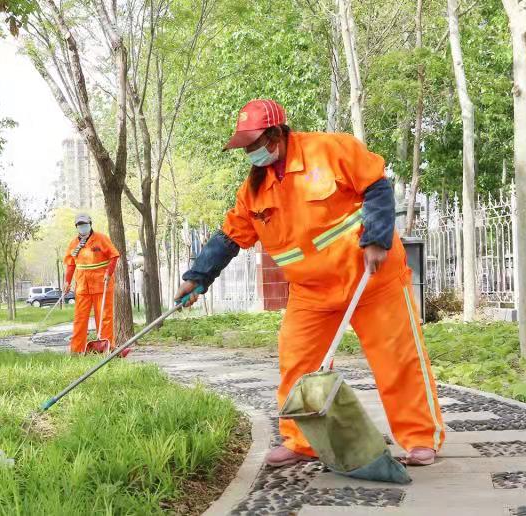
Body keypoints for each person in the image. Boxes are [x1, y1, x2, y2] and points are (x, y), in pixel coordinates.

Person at [175, 99, 445, 467]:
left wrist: (378, 239)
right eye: (246, 147)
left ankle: (420, 437)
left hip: (370, 279)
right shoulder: (254, 191)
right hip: (311, 292)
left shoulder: (329, 150)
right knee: (297, 362)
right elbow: (229, 238)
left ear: (276, 134)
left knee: (397, 359)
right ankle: (301, 441)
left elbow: (377, 187)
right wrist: (197, 277)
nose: (250, 153)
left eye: (254, 144)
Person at [63, 214, 120, 354]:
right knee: (80, 319)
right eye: (79, 225)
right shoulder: (73, 244)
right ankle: (76, 351)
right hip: (83, 287)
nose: (82, 227)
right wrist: (67, 282)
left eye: (84, 224)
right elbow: (70, 265)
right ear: (76, 227)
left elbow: (114, 256)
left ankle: (107, 348)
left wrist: (109, 273)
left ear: (90, 224)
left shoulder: (101, 239)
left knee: (105, 318)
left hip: (102, 284)